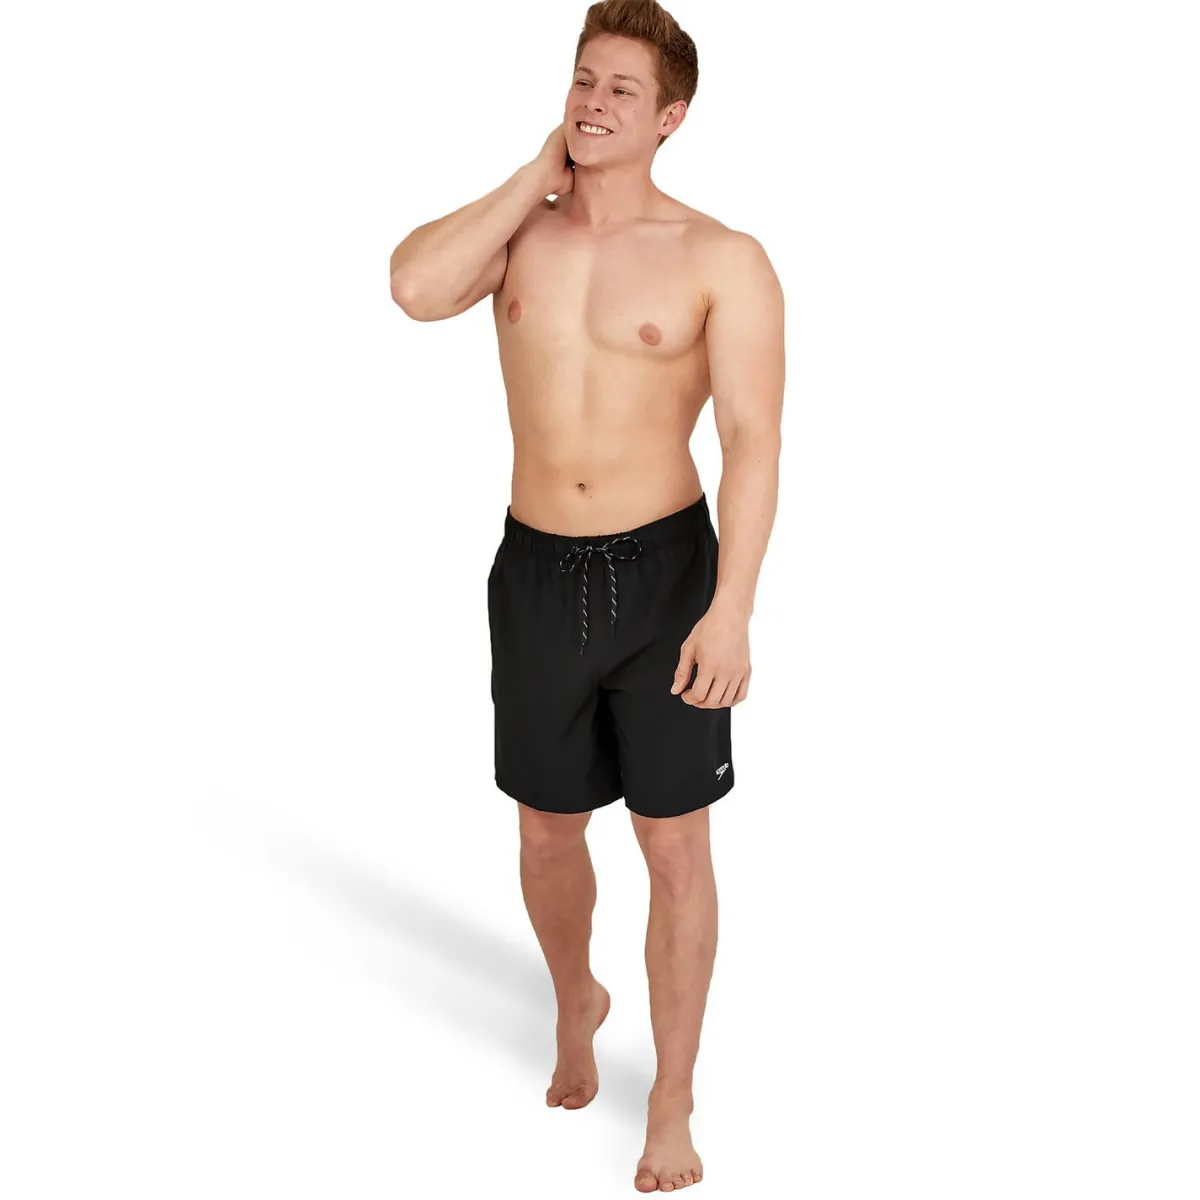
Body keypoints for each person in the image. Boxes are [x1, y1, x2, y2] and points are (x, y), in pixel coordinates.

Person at [389, 0, 783, 1190]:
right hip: (535, 571)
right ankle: (577, 997)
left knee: (673, 847)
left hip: (667, 575)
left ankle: (672, 1099)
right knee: (546, 830)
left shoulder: (721, 256)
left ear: (671, 117)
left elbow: (754, 443)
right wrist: (534, 174)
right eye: (583, 79)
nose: (595, 101)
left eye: (622, 90)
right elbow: (414, 288)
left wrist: (732, 607)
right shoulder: (524, 233)